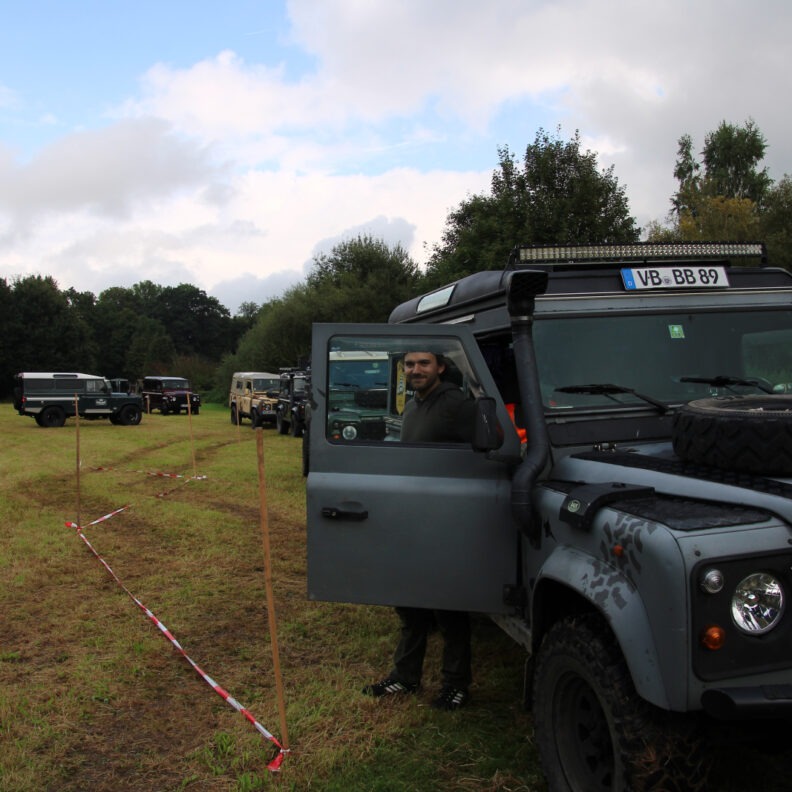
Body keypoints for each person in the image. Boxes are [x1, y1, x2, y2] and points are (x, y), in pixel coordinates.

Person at [362, 350, 476, 711]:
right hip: (413, 516)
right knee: (410, 604)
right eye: (409, 365)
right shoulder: (411, 407)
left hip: (445, 518)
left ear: (440, 366)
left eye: (423, 363)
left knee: (449, 608)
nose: (415, 370)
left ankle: (456, 686)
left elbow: (485, 452)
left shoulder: (457, 403)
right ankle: (405, 678)